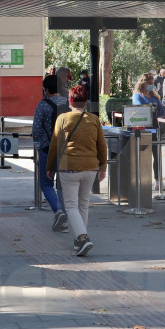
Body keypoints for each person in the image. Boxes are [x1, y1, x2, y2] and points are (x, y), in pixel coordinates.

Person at [46, 85, 107, 257]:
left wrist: (49, 167)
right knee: (83, 204)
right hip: (90, 167)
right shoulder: (94, 120)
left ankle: (83, 237)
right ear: (86, 102)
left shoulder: (63, 118)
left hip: (69, 166)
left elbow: (54, 146)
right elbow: (102, 146)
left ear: (70, 101)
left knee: (71, 205)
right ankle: (79, 239)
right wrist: (103, 167)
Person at [32, 73, 70, 232]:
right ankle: (65, 220)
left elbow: (36, 130)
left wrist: (39, 146)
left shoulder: (42, 105)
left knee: (46, 184)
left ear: (46, 89)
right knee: (63, 185)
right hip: (66, 151)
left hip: (47, 150)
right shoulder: (68, 104)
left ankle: (58, 211)